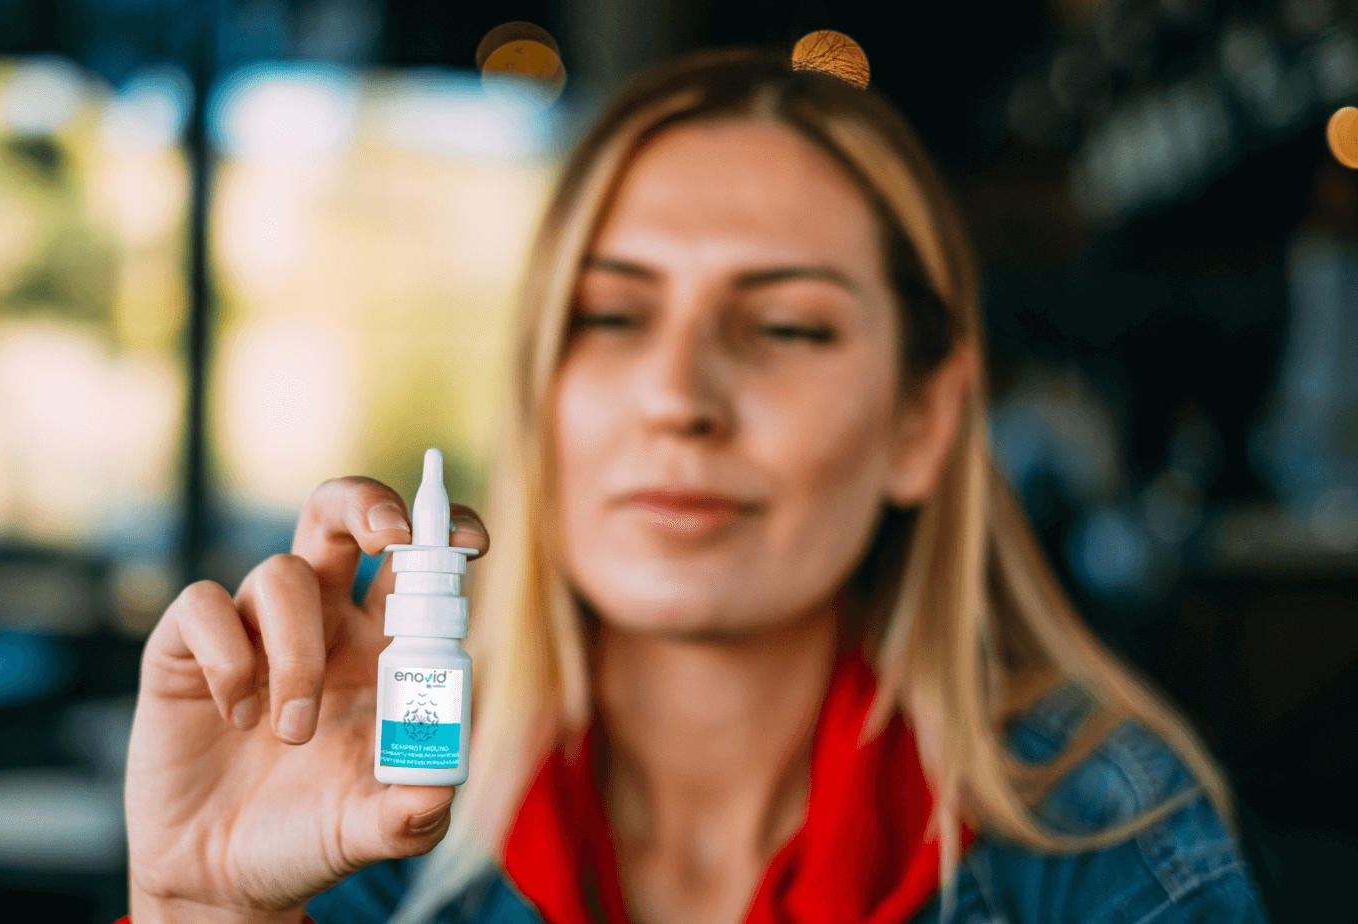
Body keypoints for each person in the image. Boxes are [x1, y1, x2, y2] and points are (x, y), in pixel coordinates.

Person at [119, 47, 1269, 924]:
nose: (676, 394)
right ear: (538, 398)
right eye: (610, 316)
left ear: (919, 420)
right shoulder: (373, 815)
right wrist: (201, 907)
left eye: (781, 325)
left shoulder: (1105, 842)